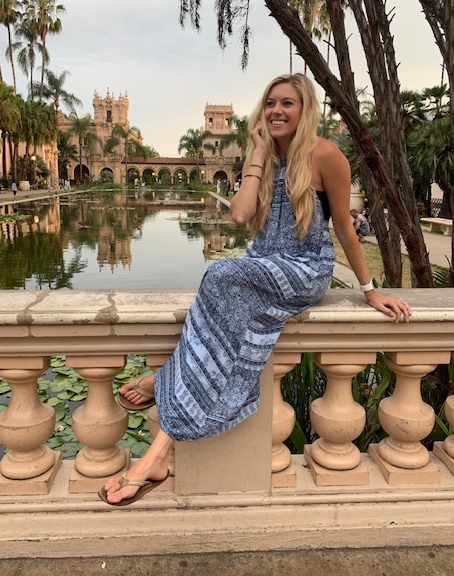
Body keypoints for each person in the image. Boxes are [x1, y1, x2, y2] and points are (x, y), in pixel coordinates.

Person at [99, 74, 411, 507]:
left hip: (305, 268)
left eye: (288, 103)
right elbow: (240, 215)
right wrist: (260, 153)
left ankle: (157, 447)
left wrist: (369, 289)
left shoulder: (325, 155)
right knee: (222, 283)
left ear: (305, 110)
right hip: (263, 264)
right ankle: (166, 399)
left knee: (220, 276)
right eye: (271, 103)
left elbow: (344, 225)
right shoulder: (261, 156)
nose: (277, 111)